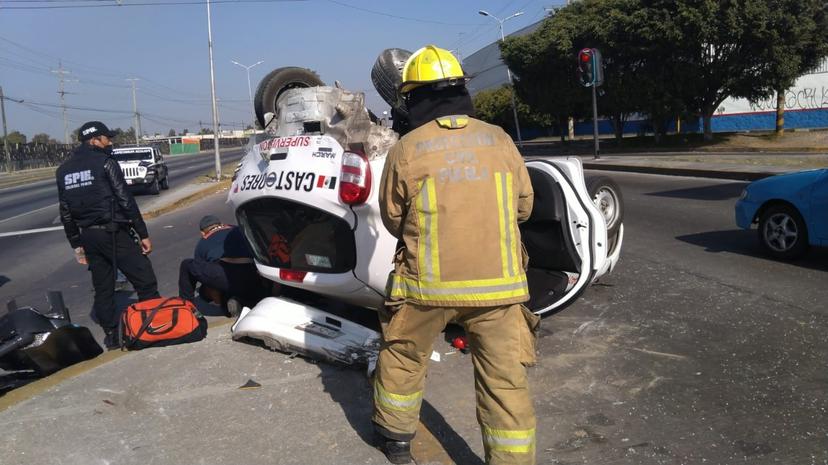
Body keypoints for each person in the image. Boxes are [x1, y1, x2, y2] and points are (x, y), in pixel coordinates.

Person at [373, 45, 539, 465]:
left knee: (404, 356)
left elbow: (393, 218)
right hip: (499, 289)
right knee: (505, 382)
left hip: (426, 289)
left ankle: (395, 439)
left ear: (413, 96)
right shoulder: (500, 140)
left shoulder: (407, 148)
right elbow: (524, 208)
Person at [56, 121, 160, 350]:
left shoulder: (63, 171)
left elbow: (65, 212)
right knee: (145, 280)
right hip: (114, 232)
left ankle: (112, 336)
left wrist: (76, 244)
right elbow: (125, 199)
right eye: (106, 138)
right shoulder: (105, 162)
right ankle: (151, 327)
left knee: (103, 289)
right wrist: (142, 233)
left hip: (88, 237)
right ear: (94, 140)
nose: (110, 142)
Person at [178, 215, 262, 316]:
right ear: (221, 224)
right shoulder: (236, 228)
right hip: (253, 272)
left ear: (202, 232)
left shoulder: (203, 241)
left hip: (224, 273)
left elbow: (204, 275)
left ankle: (185, 307)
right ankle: (239, 300)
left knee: (188, 266)